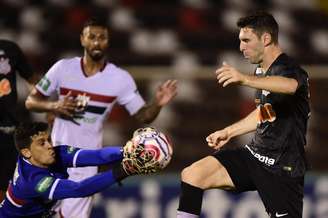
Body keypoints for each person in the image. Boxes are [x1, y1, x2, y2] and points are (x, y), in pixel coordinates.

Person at [25, 18, 177, 217]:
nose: (97, 42)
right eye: (92, 37)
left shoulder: (119, 78)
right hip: (53, 156)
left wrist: (158, 102)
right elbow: (31, 101)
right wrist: (54, 105)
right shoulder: (63, 68)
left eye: (102, 38)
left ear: (108, 41)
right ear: (82, 39)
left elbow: (143, 116)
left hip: (86, 161)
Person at [177, 11, 310, 218]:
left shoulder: (289, 68)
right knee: (193, 174)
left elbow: (290, 86)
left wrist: (244, 79)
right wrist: (229, 132)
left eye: (246, 40)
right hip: (254, 156)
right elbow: (265, 112)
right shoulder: (261, 71)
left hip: (283, 167)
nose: (241, 48)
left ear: (266, 39)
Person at [0, 122, 155, 218]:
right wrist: (125, 170)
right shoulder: (32, 181)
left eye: (48, 140)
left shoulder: (55, 153)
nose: (49, 146)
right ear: (26, 152)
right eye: (41, 143)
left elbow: (97, 156)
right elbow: (79, 189)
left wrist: (126, 151)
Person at [0, 39, 38, 202]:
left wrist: (45, 105)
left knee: (8, 186)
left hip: (7, 128)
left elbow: (32, 79)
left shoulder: (9, 49)